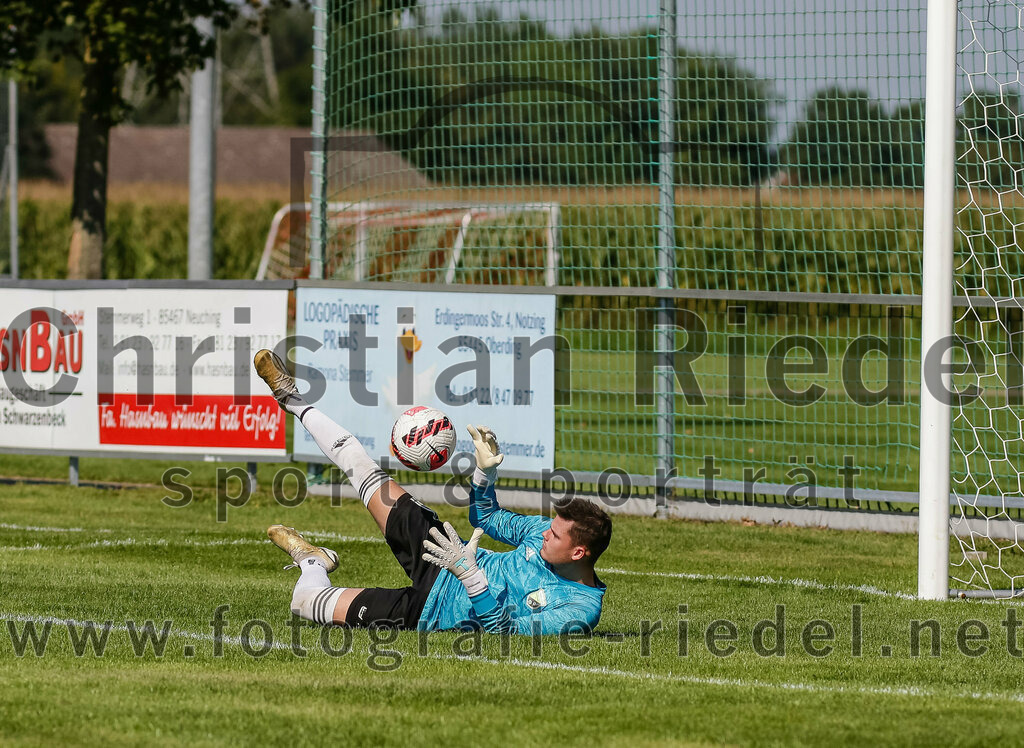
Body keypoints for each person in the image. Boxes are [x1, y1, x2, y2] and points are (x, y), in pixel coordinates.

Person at [254, 348, 611, 634]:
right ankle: (290, 397)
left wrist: (470, 577)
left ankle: (313, 561)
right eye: (550, 526)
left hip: (430, 612)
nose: (545, 532)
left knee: (305, 602)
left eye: (555, 534)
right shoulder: (540, 532)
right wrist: (485, 474)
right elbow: (485, 517)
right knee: (362, 468)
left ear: (579, 552)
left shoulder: (580, 610)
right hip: (443, 550)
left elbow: (503, 631)